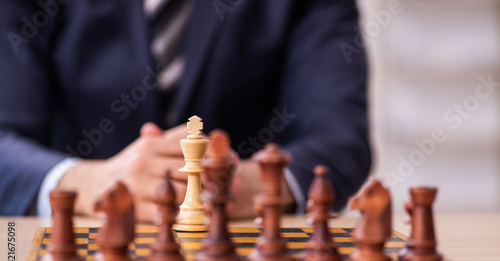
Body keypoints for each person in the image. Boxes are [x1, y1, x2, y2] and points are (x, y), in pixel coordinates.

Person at [0, 0, 371, 222]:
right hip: (81, 242)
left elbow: (341, 139)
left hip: (240, 250)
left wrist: (260, 185)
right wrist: (83, 183)